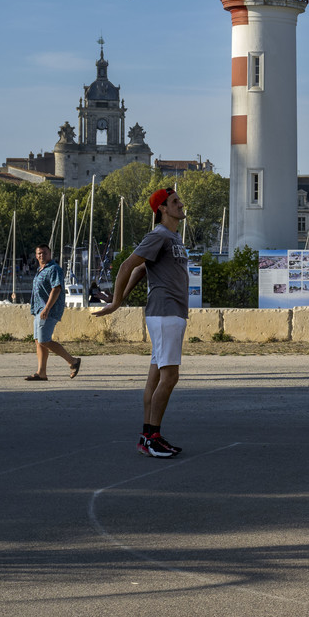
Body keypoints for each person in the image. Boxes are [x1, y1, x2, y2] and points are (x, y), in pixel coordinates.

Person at [95, 189, 189, 458]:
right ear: (162, 209)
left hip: (170, 314)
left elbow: (141, 270)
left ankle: (147, 436)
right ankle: (153, 437)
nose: (181, 204)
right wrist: (115, 302)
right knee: (170, 377)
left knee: (155, 378)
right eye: (174, 202)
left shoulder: (172, 237)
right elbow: (127, 265)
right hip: (165, 314)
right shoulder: (159, 235)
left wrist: (121, 299)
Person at [26, 245, 81, 381]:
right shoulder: (41, 269)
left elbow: (56, 289)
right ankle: (41, 373)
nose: (41, 255)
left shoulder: (54, 269)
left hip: (48, 310)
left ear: (50, 253)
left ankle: (72, 361)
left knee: (44, 340)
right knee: (39, 341)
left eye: (44, 253)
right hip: (39, 309)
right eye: (39, 253)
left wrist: (47, 308)